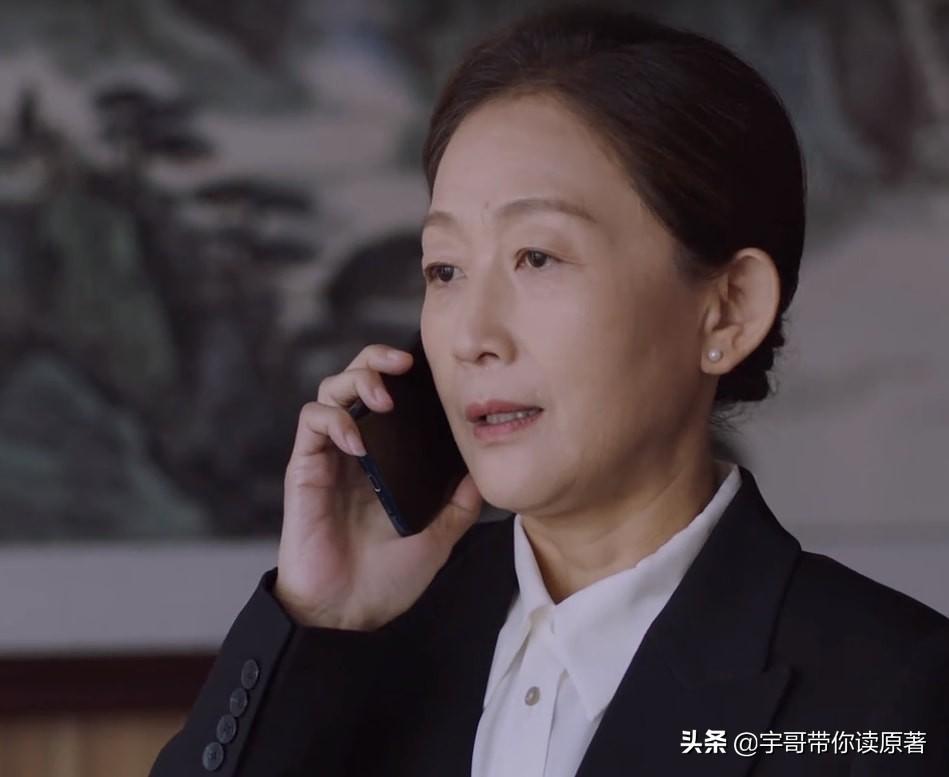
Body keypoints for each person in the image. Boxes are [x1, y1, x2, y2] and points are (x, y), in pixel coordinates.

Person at [148, 6, 949, 776]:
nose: (470, 336)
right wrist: (314, 618)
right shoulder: (361, 640)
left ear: (728, 309)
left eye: (536, 257)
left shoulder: (891, 694)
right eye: (444, 270)